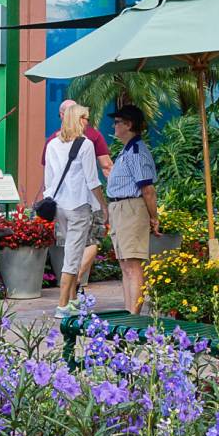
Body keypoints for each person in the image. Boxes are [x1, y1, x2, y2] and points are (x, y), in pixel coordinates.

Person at [43, 103, 106, 319]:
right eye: (84, 117)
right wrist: (102, 205)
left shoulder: (52, 144)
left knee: (69, 252)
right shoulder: (86, 144)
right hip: (79, 205)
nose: (87, 122)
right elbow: (92, 180)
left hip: (58, 206)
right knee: (72, 257)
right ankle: (62, 305)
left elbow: (49, 180)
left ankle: (71, 301)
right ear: (77, 119)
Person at [106, 104, 160, 314]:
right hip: (120, 207)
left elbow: (147, 189)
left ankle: (134, 316)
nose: (114, 126)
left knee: (133, 264)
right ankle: (129, 312)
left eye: (118, 122)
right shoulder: (127, 149)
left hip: (131, 207)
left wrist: (153, 217)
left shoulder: (136, 151)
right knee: (125, 264)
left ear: (128, 125)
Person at [59, 97, 113, 180]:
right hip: (84, 189)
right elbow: (107, 166)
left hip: (61, 191)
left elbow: (48, 173)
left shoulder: (52, 141)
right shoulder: (93, 136)